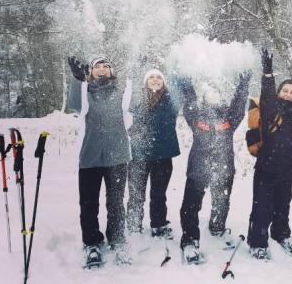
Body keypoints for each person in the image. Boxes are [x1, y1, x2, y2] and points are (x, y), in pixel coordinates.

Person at [247, 49, 292, 260]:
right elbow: (266, 95)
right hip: (266, 168)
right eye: (284, 91)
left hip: (287, 170)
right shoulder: (271, 109)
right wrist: (268, 74)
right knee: (262, 205)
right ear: (279, 92)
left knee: (283, 204)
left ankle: (281, 234)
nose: (288, 94)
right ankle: (257, 242)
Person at [177, 71, 251, 264]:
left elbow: (238, 105)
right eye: (209, 92)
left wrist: (243, 84)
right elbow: (189, 101)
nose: (213, 95)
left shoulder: (229, 117)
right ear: (204, 96)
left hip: (224, 167)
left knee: (221, 201)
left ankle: (217, 227)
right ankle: (190, 239)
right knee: (191, 205)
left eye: (216, 92)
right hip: (198, 169)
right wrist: (186, 82)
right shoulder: (197, 115)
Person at [68, 55, 133, 267]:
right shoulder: (86, 93)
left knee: (116, 204)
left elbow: (135, 101)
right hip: (90, 159)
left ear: (112, 71)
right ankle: (92, 243)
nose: (103, 69)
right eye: (98, 67)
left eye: (106, 66)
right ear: (91, 72)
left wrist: (136, 72)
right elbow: (76, 106)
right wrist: (78, 80)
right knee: (89, 205)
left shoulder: (120, 93)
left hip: (118, 158)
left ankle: (116, 239)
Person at [126, 69, 180, 239]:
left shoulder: (171, 100)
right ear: (145, 81)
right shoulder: (137, 99)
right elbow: (127, 98)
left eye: (159, 77)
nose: (155, 80)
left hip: (163, 155)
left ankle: (159, 225)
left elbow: (182, 90)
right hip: (138, 155)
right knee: (136, 194)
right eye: (151, 77)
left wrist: (177, 67)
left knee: (158, 194)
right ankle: (134, 225)